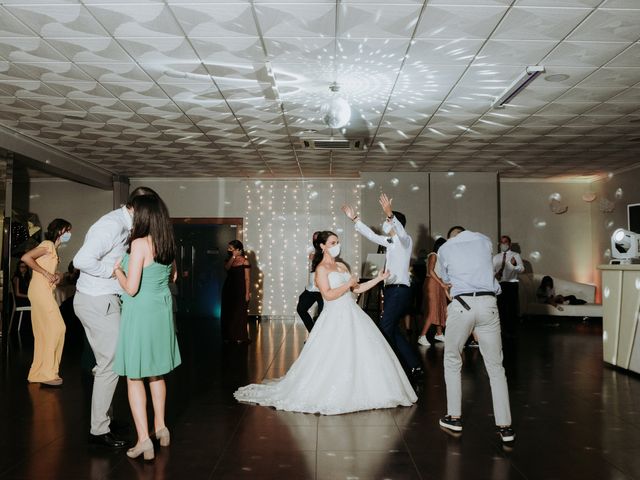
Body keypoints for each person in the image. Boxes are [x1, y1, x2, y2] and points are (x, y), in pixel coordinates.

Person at [234, 231, 417, 414]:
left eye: (337, 242)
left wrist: (379, 278)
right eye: (332, 242)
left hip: (352, 314)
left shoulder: (341, 266)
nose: (337, 245)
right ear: (322, 246)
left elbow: (358, 288)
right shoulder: (321, 269)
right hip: (334, 316)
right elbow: (328, 295)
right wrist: (347, 285)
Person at [73, 186, 158, 449]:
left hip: (105, 300)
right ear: (138, 208)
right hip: (97, 301)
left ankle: (104, 420)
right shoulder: (110, 225)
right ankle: (98, 431)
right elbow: (81, 260)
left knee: (111, 363)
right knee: (109, 365)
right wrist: (112, 272)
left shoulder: (125, 224)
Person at [113, 194, 181, 461]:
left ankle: (144, 440)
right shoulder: (167, 243)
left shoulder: (139, 243)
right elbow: (173, 276)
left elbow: (131, 288)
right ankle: (161, 428)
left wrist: (116, 270)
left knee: (134, 376)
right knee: (156, 373)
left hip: (140, 313)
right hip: (161, 312)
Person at [436, 226, 515, 443]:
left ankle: (454, 417)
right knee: (496, 367)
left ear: (452, 236)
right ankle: (505, 427)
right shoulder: (484, 241)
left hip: (462, 305)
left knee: (452, 359)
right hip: (489, 303)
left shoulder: (445, 248)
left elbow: (447, 281)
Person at [342, 194, 423, 383]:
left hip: (400, 290)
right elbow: (371, 235)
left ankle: (391, 366)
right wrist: (355, 219)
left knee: (384, 328)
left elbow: (400, 234)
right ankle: (414, 365)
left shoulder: (405, 241)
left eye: (388, 222)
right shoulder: (390, 243)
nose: (386, 225)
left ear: (395, 224)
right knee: (392, 328)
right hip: (391, 290)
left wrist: (390, 214)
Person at [21, 219, 72, 386]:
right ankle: (48, 373)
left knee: (43, 332)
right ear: (60, 230)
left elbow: (50, 271)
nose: (69, 234)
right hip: (40, 292)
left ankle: (37, 373)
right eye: (67, 230)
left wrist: (57, 275)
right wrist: (45, 273)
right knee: (58, 328)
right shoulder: (48, 244)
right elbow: (26, 258)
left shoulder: (53, 249)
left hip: (41, 291)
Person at [417, 238, 449, 347]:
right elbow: (431, 271)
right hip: (432, 283)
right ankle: (422, 336)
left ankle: (439, 334)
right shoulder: (433, 255)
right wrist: (441, 283)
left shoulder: (440, 257)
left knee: (440, 308)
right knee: (432, 310)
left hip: (438, 283)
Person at [220, 239, 251, 343]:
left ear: (238, 249)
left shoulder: (245, 261)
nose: (229, 250)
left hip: (240, 289)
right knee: (228, 312)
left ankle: (240, 336)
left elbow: (247, 279)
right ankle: (228, 336)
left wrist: (247, 293)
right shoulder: (229, 259)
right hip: (229, 288)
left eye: (231, 248)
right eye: (228, 248)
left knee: (239, 313)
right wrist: (233, 256)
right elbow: (227, 268)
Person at [493, 235, 524, 333]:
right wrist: (495, 274)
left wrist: (513, 265)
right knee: (500, 307)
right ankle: (502, 329)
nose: (503, 244)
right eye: (501, 242)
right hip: (500, 285)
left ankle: (512, 330)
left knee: (511, 308)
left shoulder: (515, 255)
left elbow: (522, 269)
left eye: (505, 242)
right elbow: (491, 270)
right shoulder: (496, 257)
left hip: (511, 284)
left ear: (509, 244)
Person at [296, 231, 324, 332]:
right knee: (301, 308)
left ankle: (321, 338)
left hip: (322, 290)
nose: (315, 240)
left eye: (317, 238)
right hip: (311, 288)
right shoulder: (312, 250)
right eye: (313, 238)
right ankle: (313, 333)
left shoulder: (326, 252)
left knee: (323, 315)